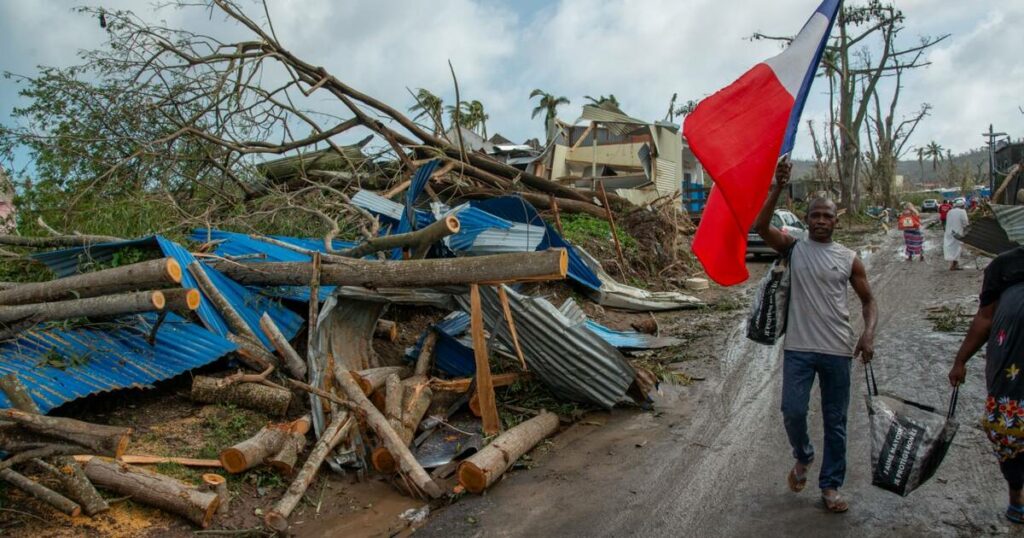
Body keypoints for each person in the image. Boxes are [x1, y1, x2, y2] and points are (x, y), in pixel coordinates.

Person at [754, 160, 878, 514]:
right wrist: (777, 186)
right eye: (815, 216)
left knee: (835, 421)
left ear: (836, 220)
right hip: (799, 349)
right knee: (792, 411)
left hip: (838, 350)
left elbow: (869, 301)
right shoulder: (793, 248)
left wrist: (867, 334)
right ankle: (804, 455)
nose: (821, 221)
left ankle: (830, 485)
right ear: (806, 220)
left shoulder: (849, 259)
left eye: (827, 216)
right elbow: (761, 226)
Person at [948, 247, 1024, 523]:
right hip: (1010, 363)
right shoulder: (1004, 265)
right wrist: (961, 360)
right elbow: (984, 318)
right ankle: (1016, 493)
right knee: (1009, 432)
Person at [944, 199, 969, 270]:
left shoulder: (950, 211)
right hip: (957, 233)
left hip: (949, 232)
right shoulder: (962, 211)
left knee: (951, 248)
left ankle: (955, 265)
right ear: (962, 206)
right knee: (957, 248)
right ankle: (954, 265)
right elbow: (965, 223)